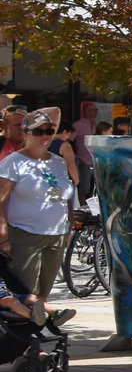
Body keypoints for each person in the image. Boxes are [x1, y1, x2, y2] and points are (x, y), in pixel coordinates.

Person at [0, 111, 77, 311]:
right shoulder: (13, 162)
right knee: (25, 292)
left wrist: (69, 224)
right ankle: (24, 339)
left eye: (49, 131)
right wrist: (3, 236)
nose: (44, 136)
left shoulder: (57, 161)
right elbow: (1, 200)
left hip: (57, 234)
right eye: (38, 131)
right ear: (25, 134)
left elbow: (65, 195)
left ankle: (38, 333)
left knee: (44, 293)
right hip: (25, 233)